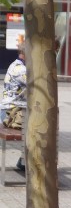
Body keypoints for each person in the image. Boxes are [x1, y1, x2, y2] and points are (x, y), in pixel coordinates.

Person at [1, 33, 27, 171]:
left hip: (11, 109)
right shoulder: (21, 70)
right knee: (36, 130)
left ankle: (23, 161)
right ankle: (23, 162)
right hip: (11, 111)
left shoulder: (16, 65)